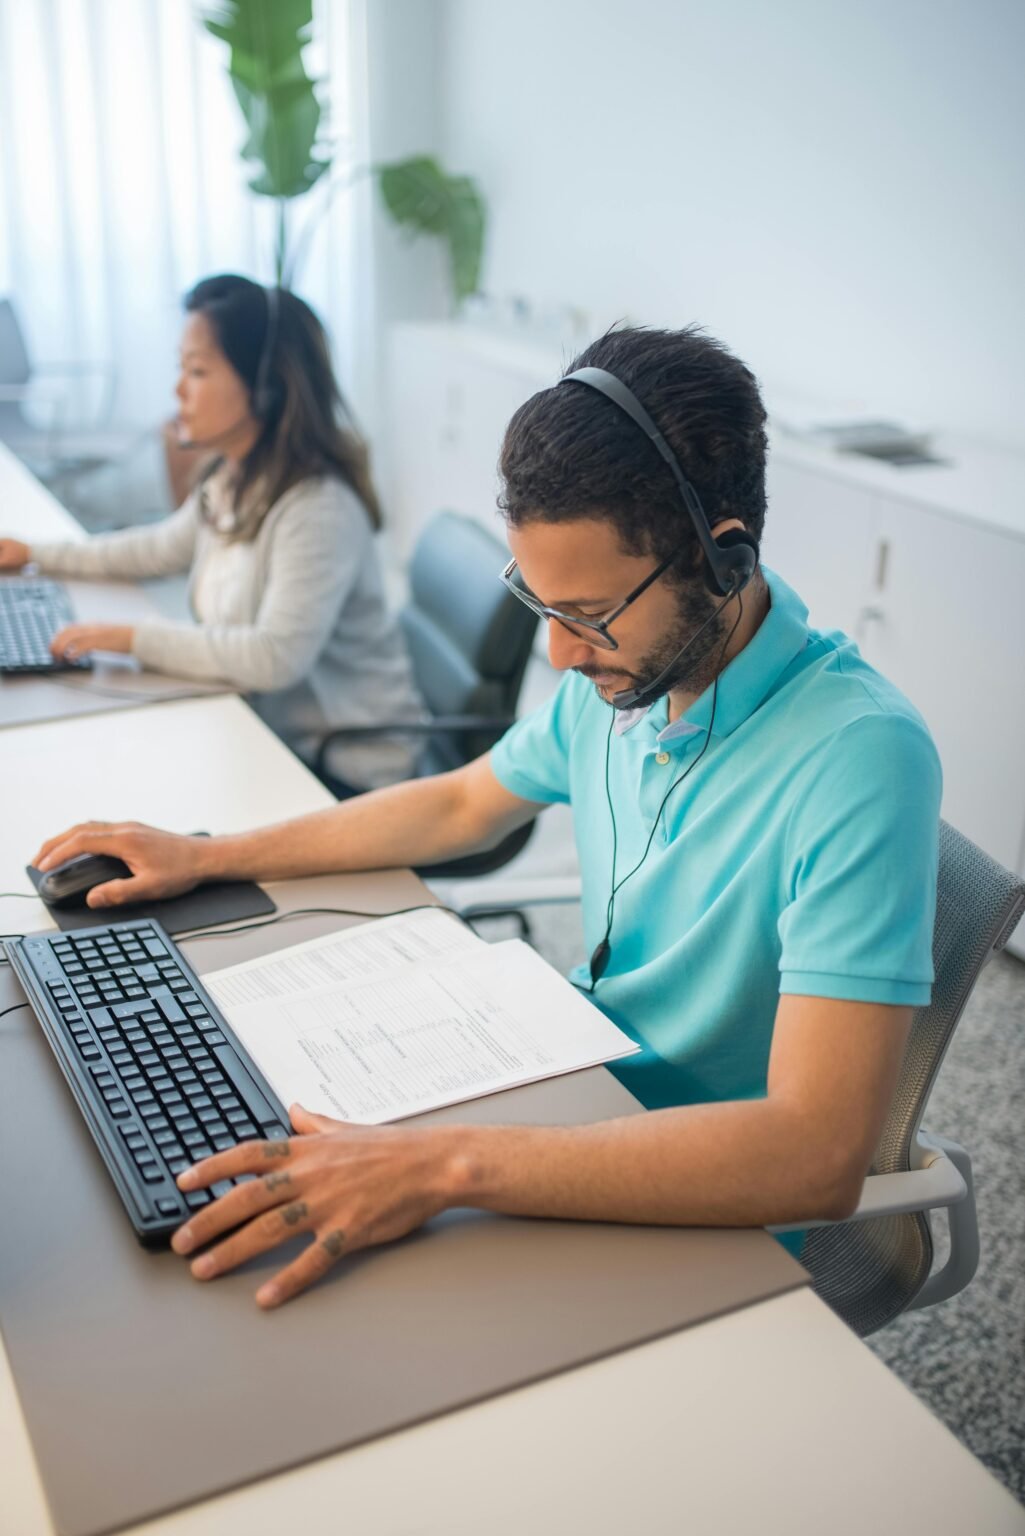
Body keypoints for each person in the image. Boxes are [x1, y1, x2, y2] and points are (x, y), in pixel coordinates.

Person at [32, 325, 942, 1311]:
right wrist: (209, 856)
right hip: (563, 1097)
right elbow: (464, 801)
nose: (559, 656)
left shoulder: (860, 757)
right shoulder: (632, 677)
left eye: (588, 616)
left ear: (721, 560)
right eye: (542, 608)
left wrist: (439, 1167)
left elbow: (812, 1155)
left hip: (697, 1203)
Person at [0, 274, 423, 791]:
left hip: (347, 770)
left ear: (265, 389)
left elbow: (274, 657)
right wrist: (35, 553)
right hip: (266, 733)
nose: (178, 390)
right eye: (181, 367)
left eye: (197, 371)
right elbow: (157, 548)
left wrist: (131, 638)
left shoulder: (317, 508)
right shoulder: (233, 475)